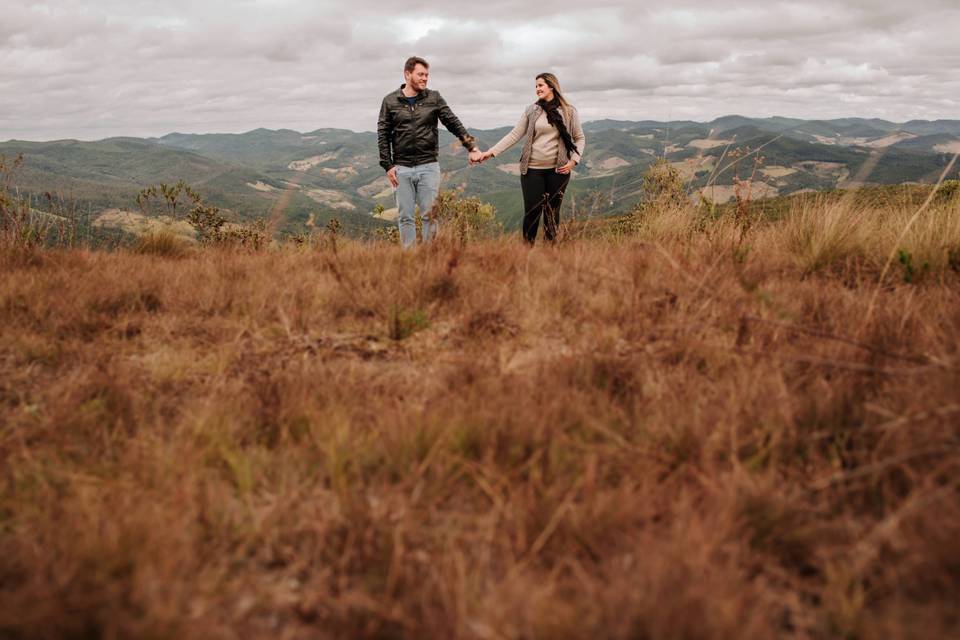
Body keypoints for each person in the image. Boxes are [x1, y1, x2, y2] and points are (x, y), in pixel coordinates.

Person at [377, 56, 483, 249]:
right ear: (407, 74)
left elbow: (453, 122)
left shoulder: (433, 98)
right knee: (405, 217)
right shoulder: (390, 101)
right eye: (420, 74)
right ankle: (410, 262)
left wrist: (472, 147)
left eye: (427, 75)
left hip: (429, 166)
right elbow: (383, 134)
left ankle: (429, 258)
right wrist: (388, 165)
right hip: (401, 168)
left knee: (430, 216)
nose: (425, 79)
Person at [477, 73, 586, 244]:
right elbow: (514, 135)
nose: (537, 89)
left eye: (540, 85)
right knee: (532, 212)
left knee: (552, 213)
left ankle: (550, 253)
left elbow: (579, 138)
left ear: (551, 86)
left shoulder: (569, 111)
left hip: (558, 171)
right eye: (535, 86)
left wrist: (573, 161)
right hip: (532, 170)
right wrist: (490, 152)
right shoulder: (531, 110)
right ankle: (527, 252)